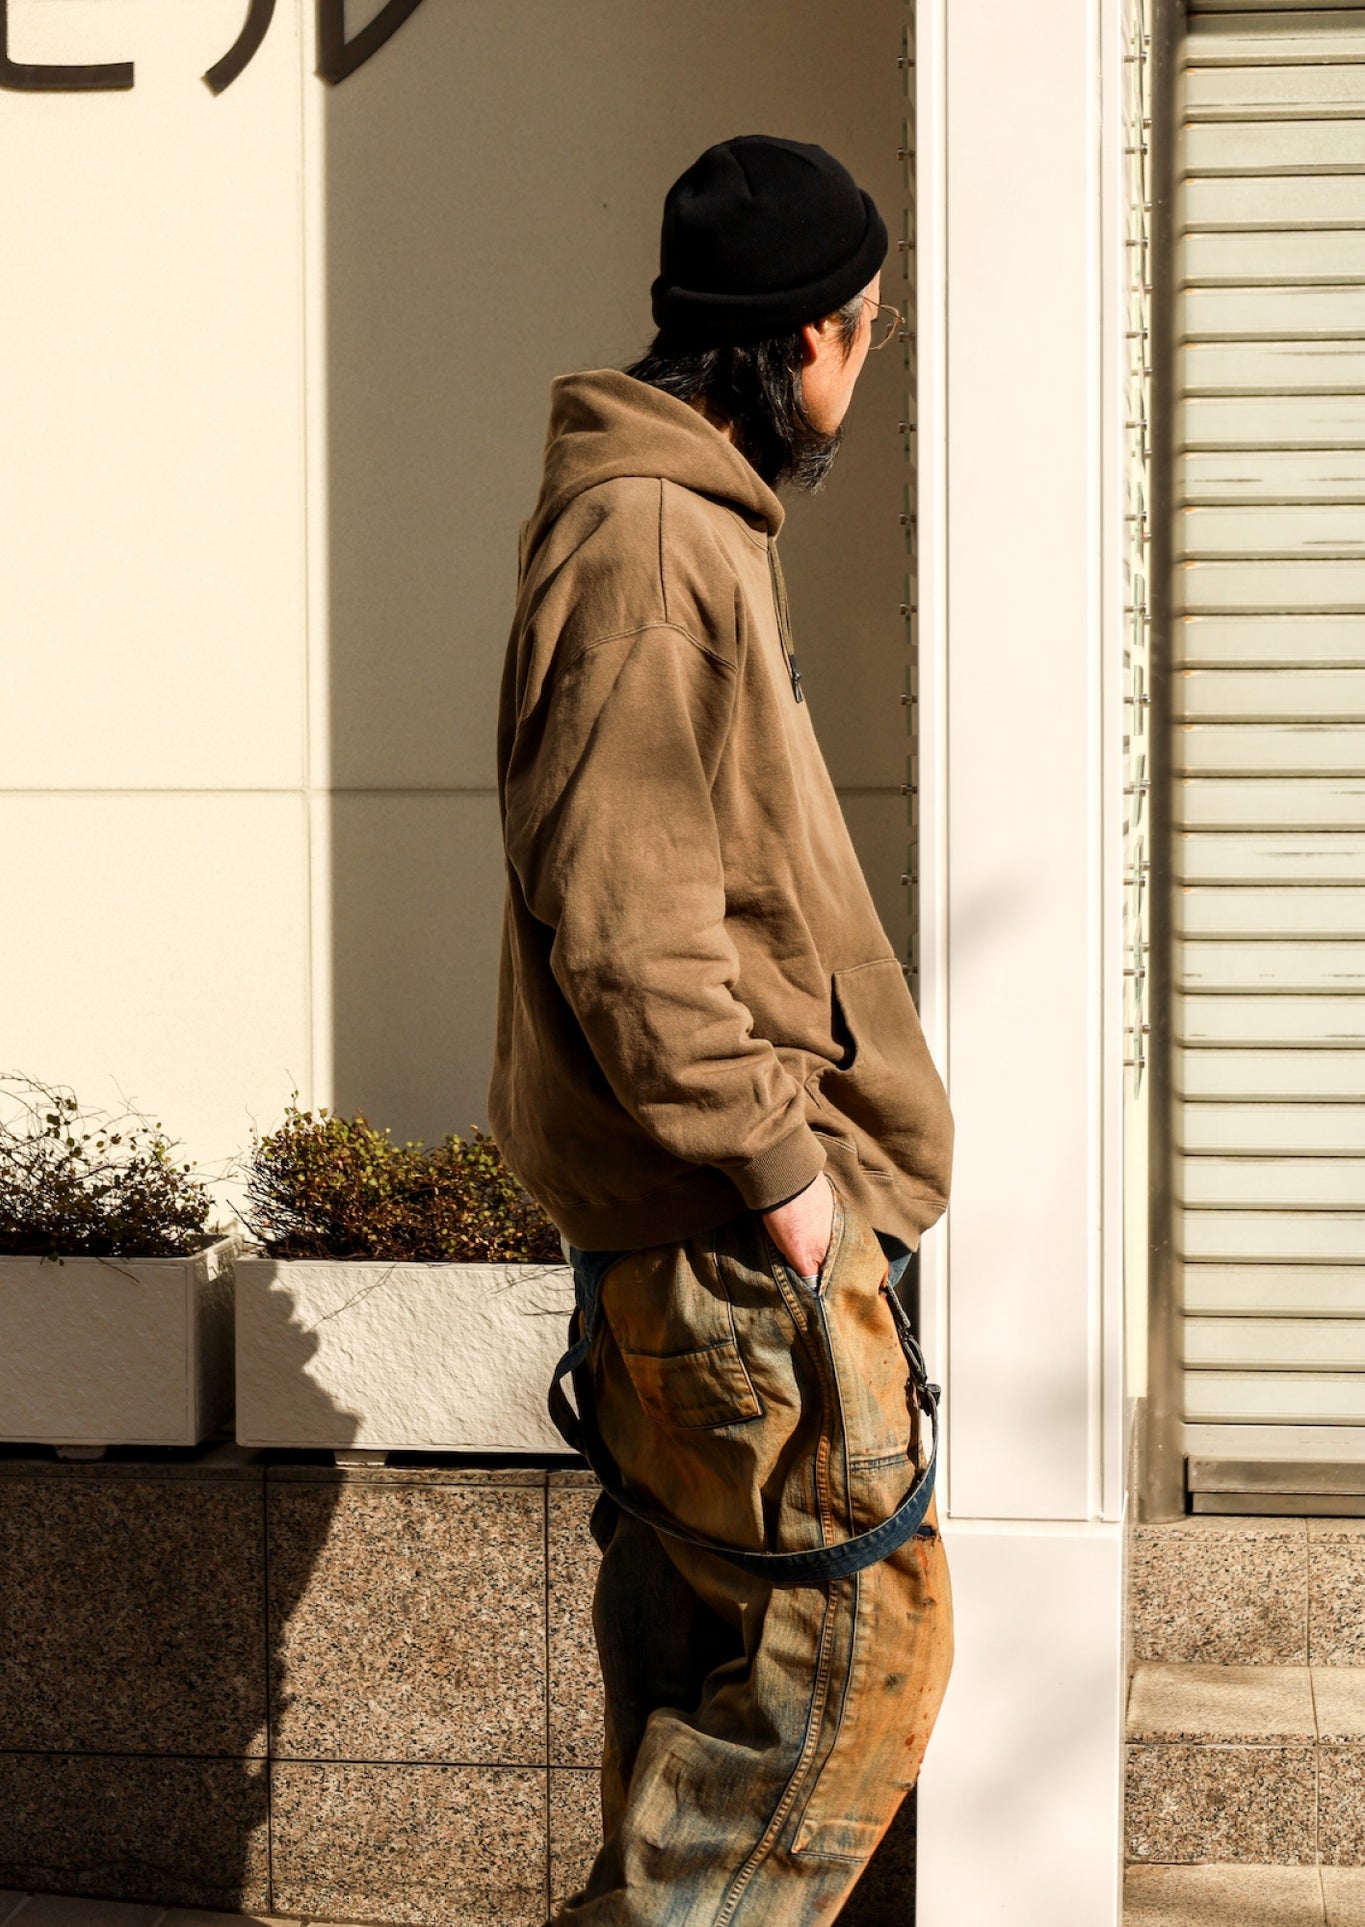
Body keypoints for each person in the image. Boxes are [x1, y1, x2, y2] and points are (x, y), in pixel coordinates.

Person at [490, 134, 955, 1927]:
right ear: (808, 339)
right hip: (731, 1244)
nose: (864, 356)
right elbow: (626, 902)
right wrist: (784, 1180)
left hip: (703, 1243)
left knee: (714, 1694)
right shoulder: (652, 537)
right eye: (866, 325)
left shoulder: (667, 523)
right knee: (844, 1673)